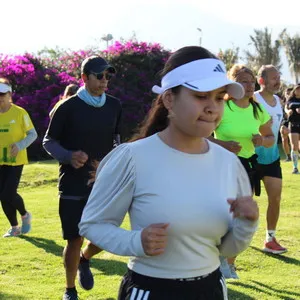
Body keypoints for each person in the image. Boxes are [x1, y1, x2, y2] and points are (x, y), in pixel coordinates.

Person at [79, 46, 259, 300]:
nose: (212, 108)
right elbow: (93, 224)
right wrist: (137, 242)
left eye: (219, 98)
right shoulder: (133, 157)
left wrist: (245, 224)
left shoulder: (229, 163)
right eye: (200, 96)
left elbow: (225, 248)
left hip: (210, 290)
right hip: (150, 290)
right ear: (169, 99)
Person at [43, 56, 122, 300]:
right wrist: (68, 155)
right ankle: (70, 290)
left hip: (103, 184)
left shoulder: (114, 105)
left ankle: (85, 259)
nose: (104, 81)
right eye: (100, 76)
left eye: (108, 76)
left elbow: (117, 140)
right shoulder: (66, 108)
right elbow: (48, 141)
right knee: (74, 239)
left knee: (107, 235)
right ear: (84, 78)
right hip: (73, 183)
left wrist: (115, 162)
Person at [209, 64, 274, 279]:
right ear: (233, 83)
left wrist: (262, 140)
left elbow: (270, 138)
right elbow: (204, 137)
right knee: (222, 214)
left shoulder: (258, 109)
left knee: (241, 216)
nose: (249, 86)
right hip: (221, 166)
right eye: (243, 81)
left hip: (247, 167)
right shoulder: (223, 107)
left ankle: (229, 263)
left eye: (251, 81)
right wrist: (224, 145)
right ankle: (215, 259)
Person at [254, 65, 287, 254]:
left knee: (275, 198)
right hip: (251, 158)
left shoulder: (277, 100)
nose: (277, 81)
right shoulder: (253, 99)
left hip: (272, 157)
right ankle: (230, 240)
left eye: (278, 77)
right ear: (261, 80)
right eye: (273, 78)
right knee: (244, 202)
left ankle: (270, 239)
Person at [0, 78, 37, 237]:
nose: (0, 97)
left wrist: (20, 145)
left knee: (8, 193)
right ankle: (15, 228)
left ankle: (25, 215)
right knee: (2, 195)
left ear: (10, 94)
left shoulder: (20, 113)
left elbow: (33, 134)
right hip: (0, 160)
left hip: (16, 160)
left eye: (2, 94)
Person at [286, 84, 300, 173]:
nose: (299, 91)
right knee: (294, 147)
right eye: (297, 89)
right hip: (293, 125)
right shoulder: (291, 99)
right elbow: (287, 107)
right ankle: (295, 168)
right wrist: (288, 111)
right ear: (294, 91)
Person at [280, 86, 293, 162]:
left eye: (289, 93)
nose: (287, 95)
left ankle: (295, 153)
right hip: (285, 121)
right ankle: (288, 156)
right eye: (286, 93)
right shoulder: (281, 102)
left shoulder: (295, 101)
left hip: (295, 121)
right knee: (284, 138)